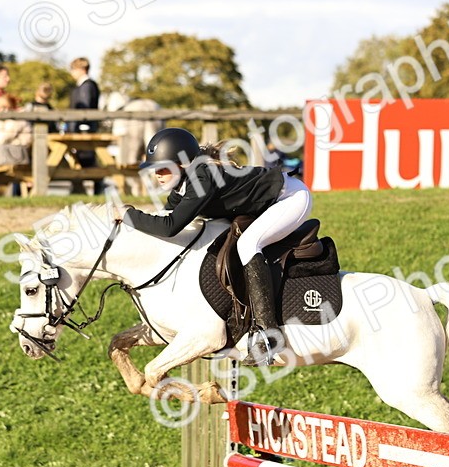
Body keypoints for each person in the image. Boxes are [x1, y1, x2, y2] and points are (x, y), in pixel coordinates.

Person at [121, 127, 312, 366]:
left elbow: (170, 227)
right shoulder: (183, 186)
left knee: (248, 244)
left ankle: (267, 334)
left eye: (162, 168)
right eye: (154, 169)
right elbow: (164, 218)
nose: (157, 175)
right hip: (264, 205)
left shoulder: (202, 178)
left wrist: (128, 215)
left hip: (289, 199)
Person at [68, 57, 103, 194]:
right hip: (82, 128)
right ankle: (80, 189)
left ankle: (95, 188)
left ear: (81, 69)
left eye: (73, 69)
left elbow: (84, 109)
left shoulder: (87, 86)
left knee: (86, 160)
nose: (72, 73)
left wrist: (77, 127)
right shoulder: (84, 85)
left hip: (84, 129)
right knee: (82, 160)